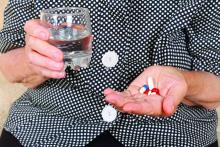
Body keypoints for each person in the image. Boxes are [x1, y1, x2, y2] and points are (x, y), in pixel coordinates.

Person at [0, 0, 220, 146]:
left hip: (173, 134)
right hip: (45, 130)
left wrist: (185, 82)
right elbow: (9, 64)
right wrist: (35, 62)